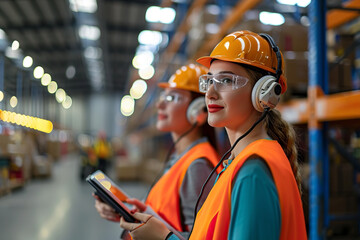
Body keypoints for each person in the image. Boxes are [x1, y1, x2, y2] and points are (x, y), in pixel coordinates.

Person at [119, 30, 307, 240]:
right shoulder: (237, 163)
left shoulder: (252, 172)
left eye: (226, 80)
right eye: (209, 81)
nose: (210, 93)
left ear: (264, 93)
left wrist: (164, 238)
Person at [94, 63, 220, 239]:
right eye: (163, 97)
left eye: (172, 98)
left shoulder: (198, 165)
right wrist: (130, 214)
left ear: (198, 110)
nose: (160, 105)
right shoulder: (180, 158)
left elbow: (202, 236)